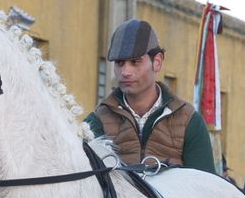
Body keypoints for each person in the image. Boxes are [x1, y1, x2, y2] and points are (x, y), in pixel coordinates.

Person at [85, 18, 217, 172]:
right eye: (119, 63)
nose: (125, 72)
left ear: (157, 62)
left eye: (135, 62)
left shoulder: (189, 122)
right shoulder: (97, 122)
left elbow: (204, 184)